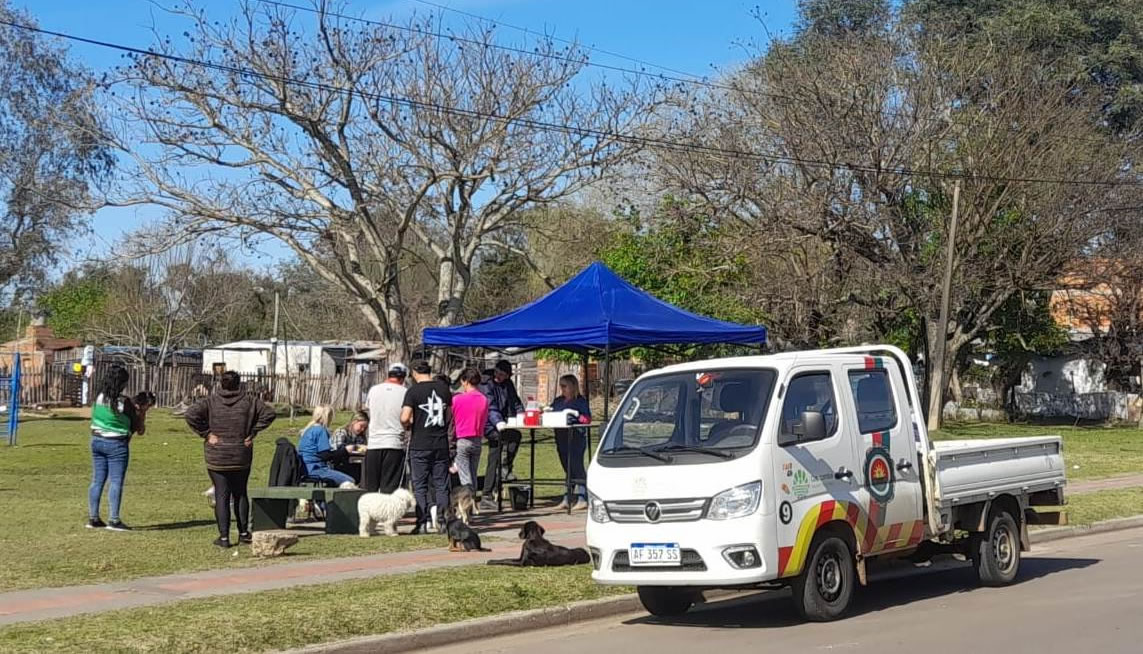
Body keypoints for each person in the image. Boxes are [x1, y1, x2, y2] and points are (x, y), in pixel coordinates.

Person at [184, 371, 277, 548]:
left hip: (217, 455)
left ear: (220, 384)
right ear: (239, 384)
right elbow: (270, 413)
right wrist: (253, 432)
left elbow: (190, 414)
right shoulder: (250, 401)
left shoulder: (210, 401)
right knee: (241, 493)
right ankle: (243, 533)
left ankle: (224, 537)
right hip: (241, 453)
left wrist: (206, 434)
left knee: (222, 495)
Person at [87, 366, 145, 531]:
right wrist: (142, 412)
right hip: (117, 443)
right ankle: (114, 519)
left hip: (97, 440)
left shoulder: (98, 397)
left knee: (97, 480)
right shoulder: (123, 402)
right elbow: (138, 427)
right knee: (116, 481)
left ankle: (93, 517)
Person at [402, 360, 453, 534]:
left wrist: (408, 424)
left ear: (415, 372)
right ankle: (443, 520)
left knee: (420, 485)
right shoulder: (444, 390)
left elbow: (404, 416)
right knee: (441, 484)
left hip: (420, 443)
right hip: (440, 443)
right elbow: (448, 415)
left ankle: (422, 521)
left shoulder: (413, 391)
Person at [479, 359, 524, 512]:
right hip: (489, 424)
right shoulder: (486, 384)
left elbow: (515, 401)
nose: (499, 376)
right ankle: (487, 494)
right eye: (498, 373)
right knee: (494, 454)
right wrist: (498, 422)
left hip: (505, 422)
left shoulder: (508, 384)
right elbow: (490, 406)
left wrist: (522, 415)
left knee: (515, 437)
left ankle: (505, 467)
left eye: (503, 374)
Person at [364, 363, 409, 493]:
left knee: (371, 487)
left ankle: (372, 512)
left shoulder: (374, 390)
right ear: (403, 377)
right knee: (389, 487)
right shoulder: (405, 392)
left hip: (374, 443)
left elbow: (368, 409)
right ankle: (386, 512)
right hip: (394, 443)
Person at [550, 374, 592, 510]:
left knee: (576, 465)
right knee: (567, 467)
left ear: (572, 387)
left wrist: (577, 416)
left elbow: (587, 419)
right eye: (561, 386)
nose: (562, 389)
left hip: (576, 438)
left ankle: (583, 497)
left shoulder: (580, 401)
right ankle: (567, 498)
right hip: (561, 437)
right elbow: (551, 412)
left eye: (564, 386)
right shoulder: (558, 401)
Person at [297, 405, 357, 487]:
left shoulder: (307, 430)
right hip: (316, 469)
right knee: (350, 481)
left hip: (305, 468)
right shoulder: (321, 431)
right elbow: (325, 455)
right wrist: (345, 450)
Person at [450, 368, 489, 491]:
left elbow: (452, 420)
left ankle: (467, 503)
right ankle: (472, 502)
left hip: (462, 439)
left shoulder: (457, 399)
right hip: (477, 439)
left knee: (465, 477)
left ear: (465, 381)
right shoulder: (484, 400)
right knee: (473, 474)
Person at [331, 410, 370, 482]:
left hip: (356, 465)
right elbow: (338, 450)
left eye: (365, 428)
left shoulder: (361, 437)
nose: (362, 429)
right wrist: (357, 448)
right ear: (354, 422)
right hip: (340, 465)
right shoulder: (341, 432)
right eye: (361, 426)